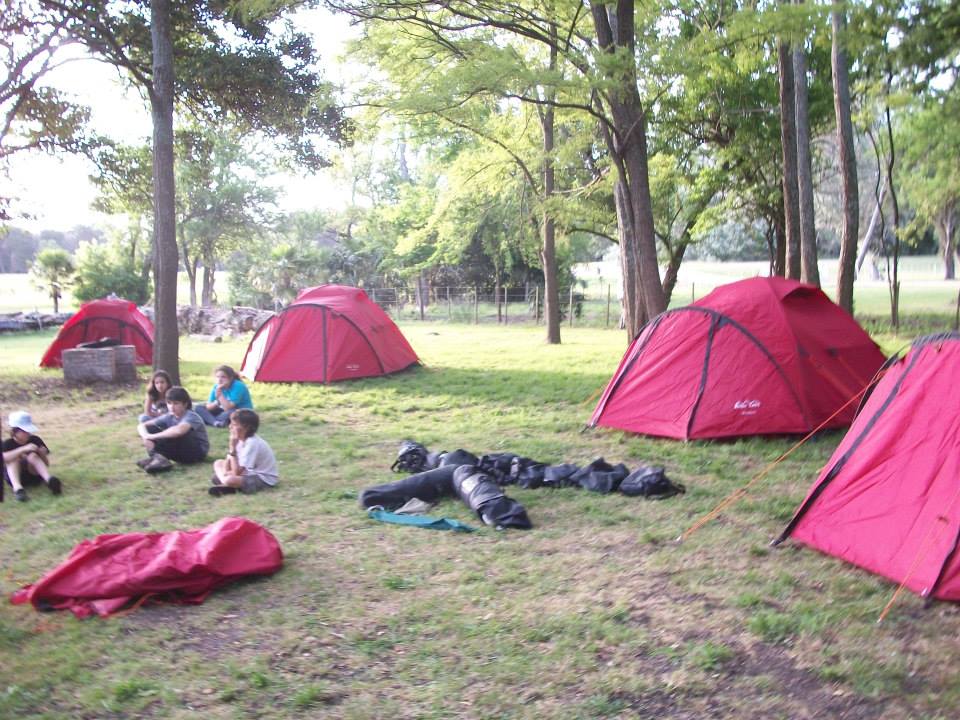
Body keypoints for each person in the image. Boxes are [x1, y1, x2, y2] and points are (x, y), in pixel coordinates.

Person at [136, 386, 210, 473]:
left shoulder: (191, 416)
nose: (172, 407)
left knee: (177, 434)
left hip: (196, 452)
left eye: (176, 403)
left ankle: (159, 460)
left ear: (185, 404)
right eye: (169, 403)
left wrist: (152, 436)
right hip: (179, 452)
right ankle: (157, 458)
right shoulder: (169, 416)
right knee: (149, 429)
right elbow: (142, 425)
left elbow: (179, 431)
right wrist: (146, 436)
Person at [209, 409, 278, 497]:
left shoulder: (252, 443)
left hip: (262, 478)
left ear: (246, 428)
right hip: (246, 473)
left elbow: (237, 472)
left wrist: (232, 448)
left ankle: (227, 483)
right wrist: (226, 472)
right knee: (218, 463)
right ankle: (228, 484)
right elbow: (228, 466)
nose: (230, 427)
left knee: (229, 479)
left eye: (234, 425)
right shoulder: (239, 440)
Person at [3, 411, 62, 502]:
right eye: (24, 431)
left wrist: (42, 454)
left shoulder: (35, 440)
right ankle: (18, 489)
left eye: (28, 431)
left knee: (33, 456)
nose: (28, 433)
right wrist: (23, 449)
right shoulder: (8, 444)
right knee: (12, 460)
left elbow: (46, 464)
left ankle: (49, 480)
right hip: (15, 477)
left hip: (35, 476)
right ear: (14, 431)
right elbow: (4, 458)